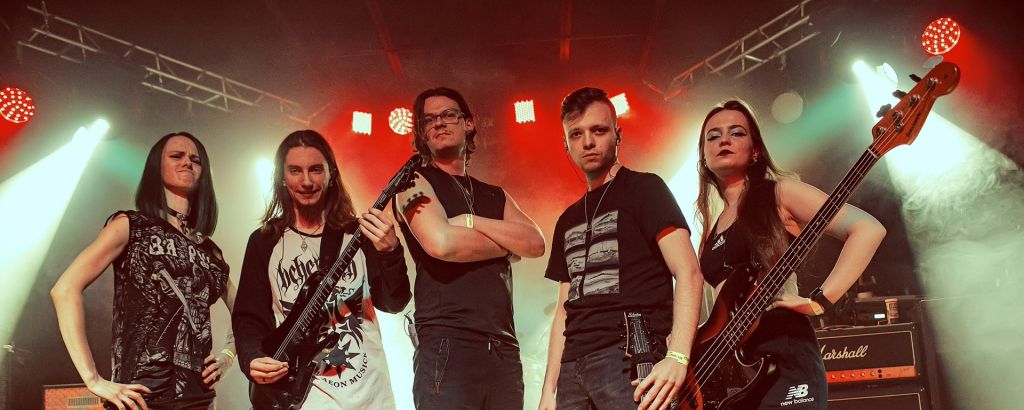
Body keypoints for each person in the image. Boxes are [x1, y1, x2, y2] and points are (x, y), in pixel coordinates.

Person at [695, 100, 887, 408]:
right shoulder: (711, 229)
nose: (724, 140)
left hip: (784, 354)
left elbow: (867, 228)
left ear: (755, 150)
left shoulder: (779, 193)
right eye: (713, 136)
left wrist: (821, 300)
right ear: (704, 157)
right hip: (735, 375)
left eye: (737, 133)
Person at [539, 87, 704, 410]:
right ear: (566, 144)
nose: (587, 142)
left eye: (598, 130)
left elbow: (689, 272)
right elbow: (563, 310)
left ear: (618, 135)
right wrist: (549, 390)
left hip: (628, 356)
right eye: (576, 134)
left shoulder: (645, 189)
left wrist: (678, 357)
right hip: (572, 368)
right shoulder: (567, 219)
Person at [51, 132, 235, 410]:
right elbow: (65, 289)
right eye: (176, 156)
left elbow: (246, 313)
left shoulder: (210, 252)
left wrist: (227, 356)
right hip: (140, 397)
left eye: (195, 159)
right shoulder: (131, 225)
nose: (187, 162)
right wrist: (93, 379)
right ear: (156, 167)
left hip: (200, 399)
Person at [232, 130, 410, 409]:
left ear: (331, 174)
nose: (306, 181)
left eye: (315, 169)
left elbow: (393, 302)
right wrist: (252, 357)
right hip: (306, 395)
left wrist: (391, 252)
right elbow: (249, 317)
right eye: (295, 170)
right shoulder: (264, 241)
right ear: (282, 177)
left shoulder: (358, 234)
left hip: (369, 394)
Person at [393, 87, 546, 409]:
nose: (439, 123)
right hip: (448, 343)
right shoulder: (413, 183)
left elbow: (535, 243)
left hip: (503, 348)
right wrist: (507, 247)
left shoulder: (495, 195)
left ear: (469, 124)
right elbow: (443, 244)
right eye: (429, 119)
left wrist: (470, 221)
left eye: (448, 115)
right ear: (422, 132)